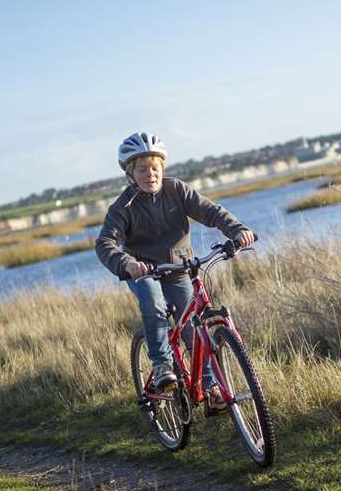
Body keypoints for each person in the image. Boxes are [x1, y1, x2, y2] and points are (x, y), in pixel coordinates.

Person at [95, 132, 256, 391]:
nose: (151, 174)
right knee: (154, 302)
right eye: (143, 169)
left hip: (179, 269)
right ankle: (162, 366)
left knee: (194, 325)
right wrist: (127, 264)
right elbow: (105, 244)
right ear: (130, 175)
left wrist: (236, 230)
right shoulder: (123, 207)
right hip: (144, 272)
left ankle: (211, 387)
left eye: (155, 168)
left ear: (163, 168)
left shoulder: (177, 190)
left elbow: (211, 211)